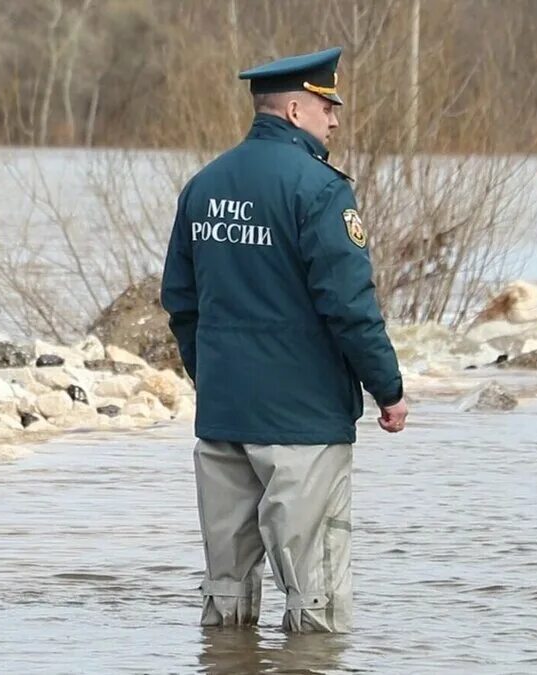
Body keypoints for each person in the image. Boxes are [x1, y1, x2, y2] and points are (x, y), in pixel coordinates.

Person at [160, 46, 409, 634]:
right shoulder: (320, 190)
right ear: (296, 109)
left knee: (226, 594)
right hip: (303, 423)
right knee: (314, 598)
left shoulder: (203, 185)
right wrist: (388, 389)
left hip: (223, 419)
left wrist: (212, 376)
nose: (336, 120)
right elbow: (349, 306)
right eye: (328, 106)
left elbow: (181, 302)